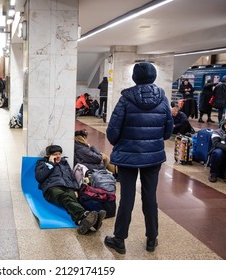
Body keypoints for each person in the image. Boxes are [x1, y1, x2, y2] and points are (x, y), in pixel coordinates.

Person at [104, 62, 173, 254]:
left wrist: (122, 142)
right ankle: (152, 239)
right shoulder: (162, 99)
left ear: (134, 78)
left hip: (128, 156)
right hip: (153, 157)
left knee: (127, 197)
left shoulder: (126, 99)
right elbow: (168, 130)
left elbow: (112, 132)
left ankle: (119, 240)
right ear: (153, 77)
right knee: (150, 196)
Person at [35, 145, 106, 234]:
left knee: (71, 199)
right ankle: (85, 216)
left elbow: (72, 177)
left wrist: (76, 189)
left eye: (59, 154)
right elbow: (39, 177)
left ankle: (82, 221)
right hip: (51, 188)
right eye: (55, 154)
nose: (58, 156)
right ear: (49, 155)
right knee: (65, 197)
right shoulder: (42, 163)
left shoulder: (64, 162)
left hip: (68, 187)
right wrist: (51, 164)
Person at [208, 116, 226, 187]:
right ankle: (213, 174)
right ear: (225, 126)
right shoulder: (217, 132)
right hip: (220, 153)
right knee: (218, 152)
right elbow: (216, 143)